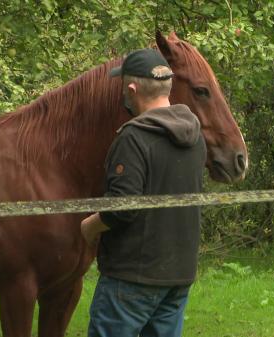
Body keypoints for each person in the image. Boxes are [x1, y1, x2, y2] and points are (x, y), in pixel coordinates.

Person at [81, 48, 206, 337]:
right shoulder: (195, 136)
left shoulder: (134, 137)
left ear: (132, 89)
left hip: (131, 277)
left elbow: (123, 207)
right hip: (178, 275)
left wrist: (90, 226)